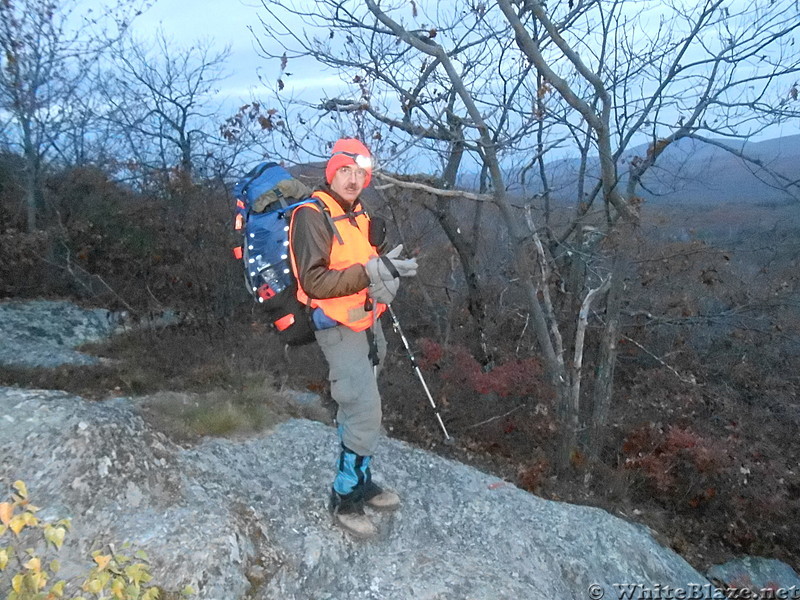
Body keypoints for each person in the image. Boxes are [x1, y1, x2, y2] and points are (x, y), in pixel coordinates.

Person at [288, 138, 418, 538]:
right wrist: (372, 274)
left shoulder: (356, 213)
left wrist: (383, 279)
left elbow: (363, 264)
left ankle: (360, 478)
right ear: (332, 172)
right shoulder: (312, 215)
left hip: (367, 319)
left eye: (361, 173)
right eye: (346, 170)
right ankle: (344, 496)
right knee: (364, 409)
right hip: (336, 326)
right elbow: (313, 280)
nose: (354, 179)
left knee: (360, 403)